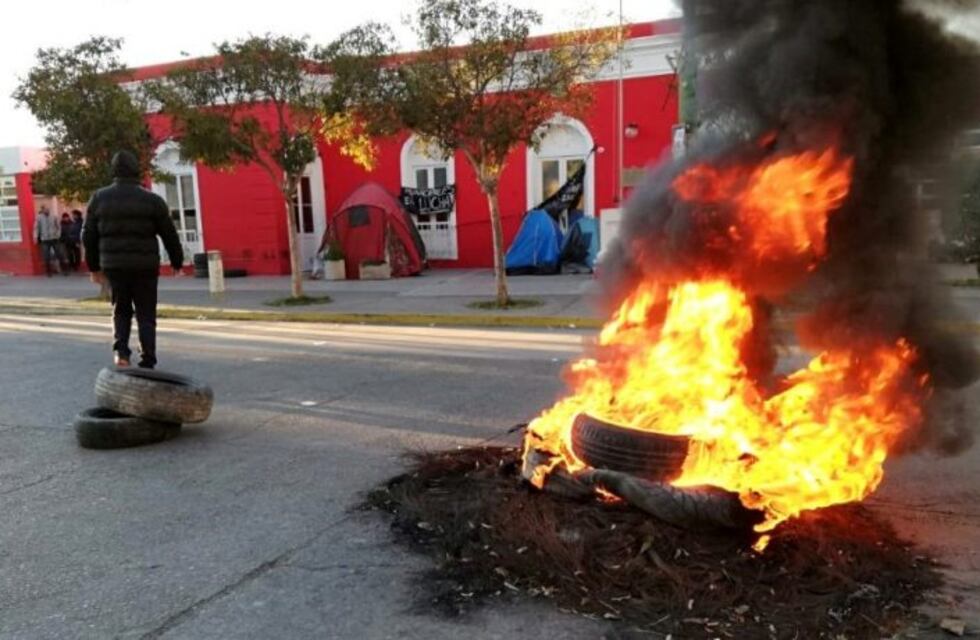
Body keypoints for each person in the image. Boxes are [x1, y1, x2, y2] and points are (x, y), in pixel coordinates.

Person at [83, 151, 183, 369]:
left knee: (120, 309)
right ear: (136, 170)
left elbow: (88, 235)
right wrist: (177, 261)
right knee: (146, 312)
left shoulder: (99, 198)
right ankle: (148, 357)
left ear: (114, 171)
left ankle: (122, 353)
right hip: (145, 266)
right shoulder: (152, 200)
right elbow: (169, 233)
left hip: (114, 266)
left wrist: (94, 267)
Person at [34, 206, 64, 276]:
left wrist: (58, 235)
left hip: (54, 238)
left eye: (48, 209)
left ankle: (64, 269)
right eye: (45, 210)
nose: (47, 211)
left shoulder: (54, 216)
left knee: (59, 254)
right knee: (46, 256)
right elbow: (36, 228)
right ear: (42, 210)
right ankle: (48, 271)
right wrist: (35, 237)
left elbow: (58, 227)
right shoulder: (39, 218)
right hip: (45, 239)